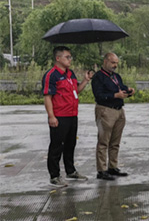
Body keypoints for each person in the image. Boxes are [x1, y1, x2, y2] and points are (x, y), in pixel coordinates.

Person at [41, 46, 93, 187]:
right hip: (60, 116)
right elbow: (47, 97)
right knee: (56, 146)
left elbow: (77, 90)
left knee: (71, 144)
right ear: (58, 58)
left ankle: (71, 171)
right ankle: (54, 176)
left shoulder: (70, 74)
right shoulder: (51, 75)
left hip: (72, 114)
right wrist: (51, 116)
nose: (70, 59)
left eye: (70, 57)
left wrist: (85, 80)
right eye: (67, 57)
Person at [91, 53, 134, 181]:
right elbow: (99, 95)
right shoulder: (98, 77)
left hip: (119, 111)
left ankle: (112, 166)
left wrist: (129, 91)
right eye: (113, 62)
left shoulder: (116, 76)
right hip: (106, 110)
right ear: (105, 61)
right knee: (103, 141)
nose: (115, 65)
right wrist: (115, 95)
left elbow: (121, 88)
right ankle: (101, 170)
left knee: (115, 142)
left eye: (116, 63)